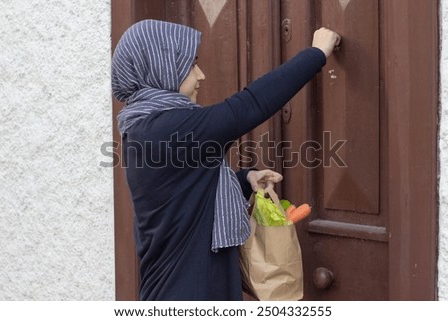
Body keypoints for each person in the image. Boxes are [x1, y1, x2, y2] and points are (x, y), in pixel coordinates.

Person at [112, 19, 340, 300]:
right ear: (161, 66)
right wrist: (315, 54)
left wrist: (245, 180)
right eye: (190, 64)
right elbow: (249, 106)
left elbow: (183, 193)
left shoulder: (145, 126)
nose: (201, 75)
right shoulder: (167, 128)